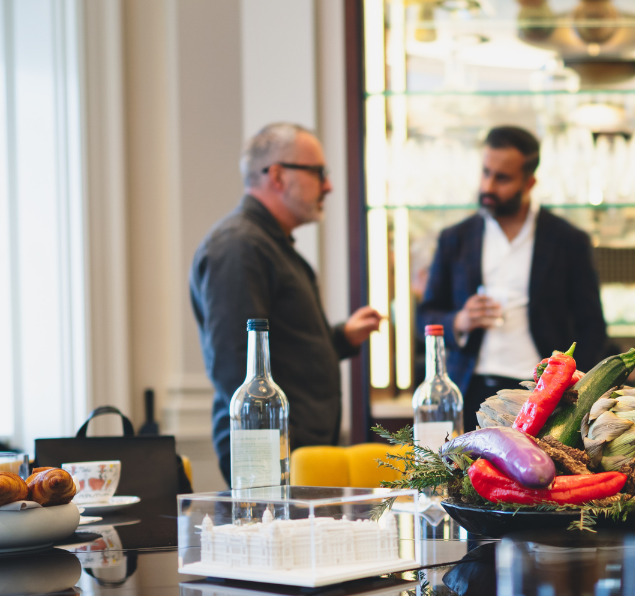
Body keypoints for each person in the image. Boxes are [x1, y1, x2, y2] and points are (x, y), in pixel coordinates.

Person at [190, 123, 383, 484]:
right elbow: (237, 366)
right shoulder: (239, 247)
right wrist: (276, 455)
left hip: (293, 449)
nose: (328, 186)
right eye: (318, 173)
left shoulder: (266, 243)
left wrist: (341, 337)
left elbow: (281, 346)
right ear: (277, 175)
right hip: (270, 451)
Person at [418, 125, 607, 430]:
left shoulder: (568, 240)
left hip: (540, 396)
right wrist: (459, 322)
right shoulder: (455, 239)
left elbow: (592, 327)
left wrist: (574, 392)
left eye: (502, 178)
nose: (488, 186)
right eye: (485, 172)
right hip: (469, 390)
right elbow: (424, 316)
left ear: (529, 182)